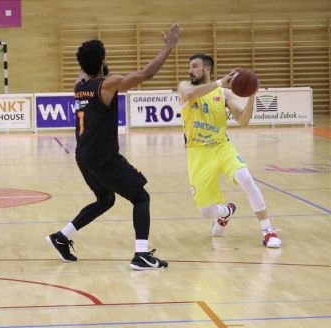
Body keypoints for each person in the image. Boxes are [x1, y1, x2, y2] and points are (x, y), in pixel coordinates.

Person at [46, 23, 182, 270]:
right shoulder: (107, 84)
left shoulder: (79, 87)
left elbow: (88, 72)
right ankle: (141, 255)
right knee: (141, 197)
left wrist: (95, 65)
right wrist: (168, 48)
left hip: (83, 156)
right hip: (103, 158)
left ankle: (62, 237)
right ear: (102, 61)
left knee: (105, 199)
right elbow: (146, 74)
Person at [177, 55, 282, 248]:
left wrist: (251, 96)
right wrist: (220, 82)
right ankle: (225, 212)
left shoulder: (224, 94)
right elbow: (189, 95)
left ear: (206, 69)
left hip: (222, 147)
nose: (190, 71)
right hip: (197, 153)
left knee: (246, 178)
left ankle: (268, 231)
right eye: (190, 67)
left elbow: (243, 121)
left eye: (194, 66)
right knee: (207, 212)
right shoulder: (184, 86)